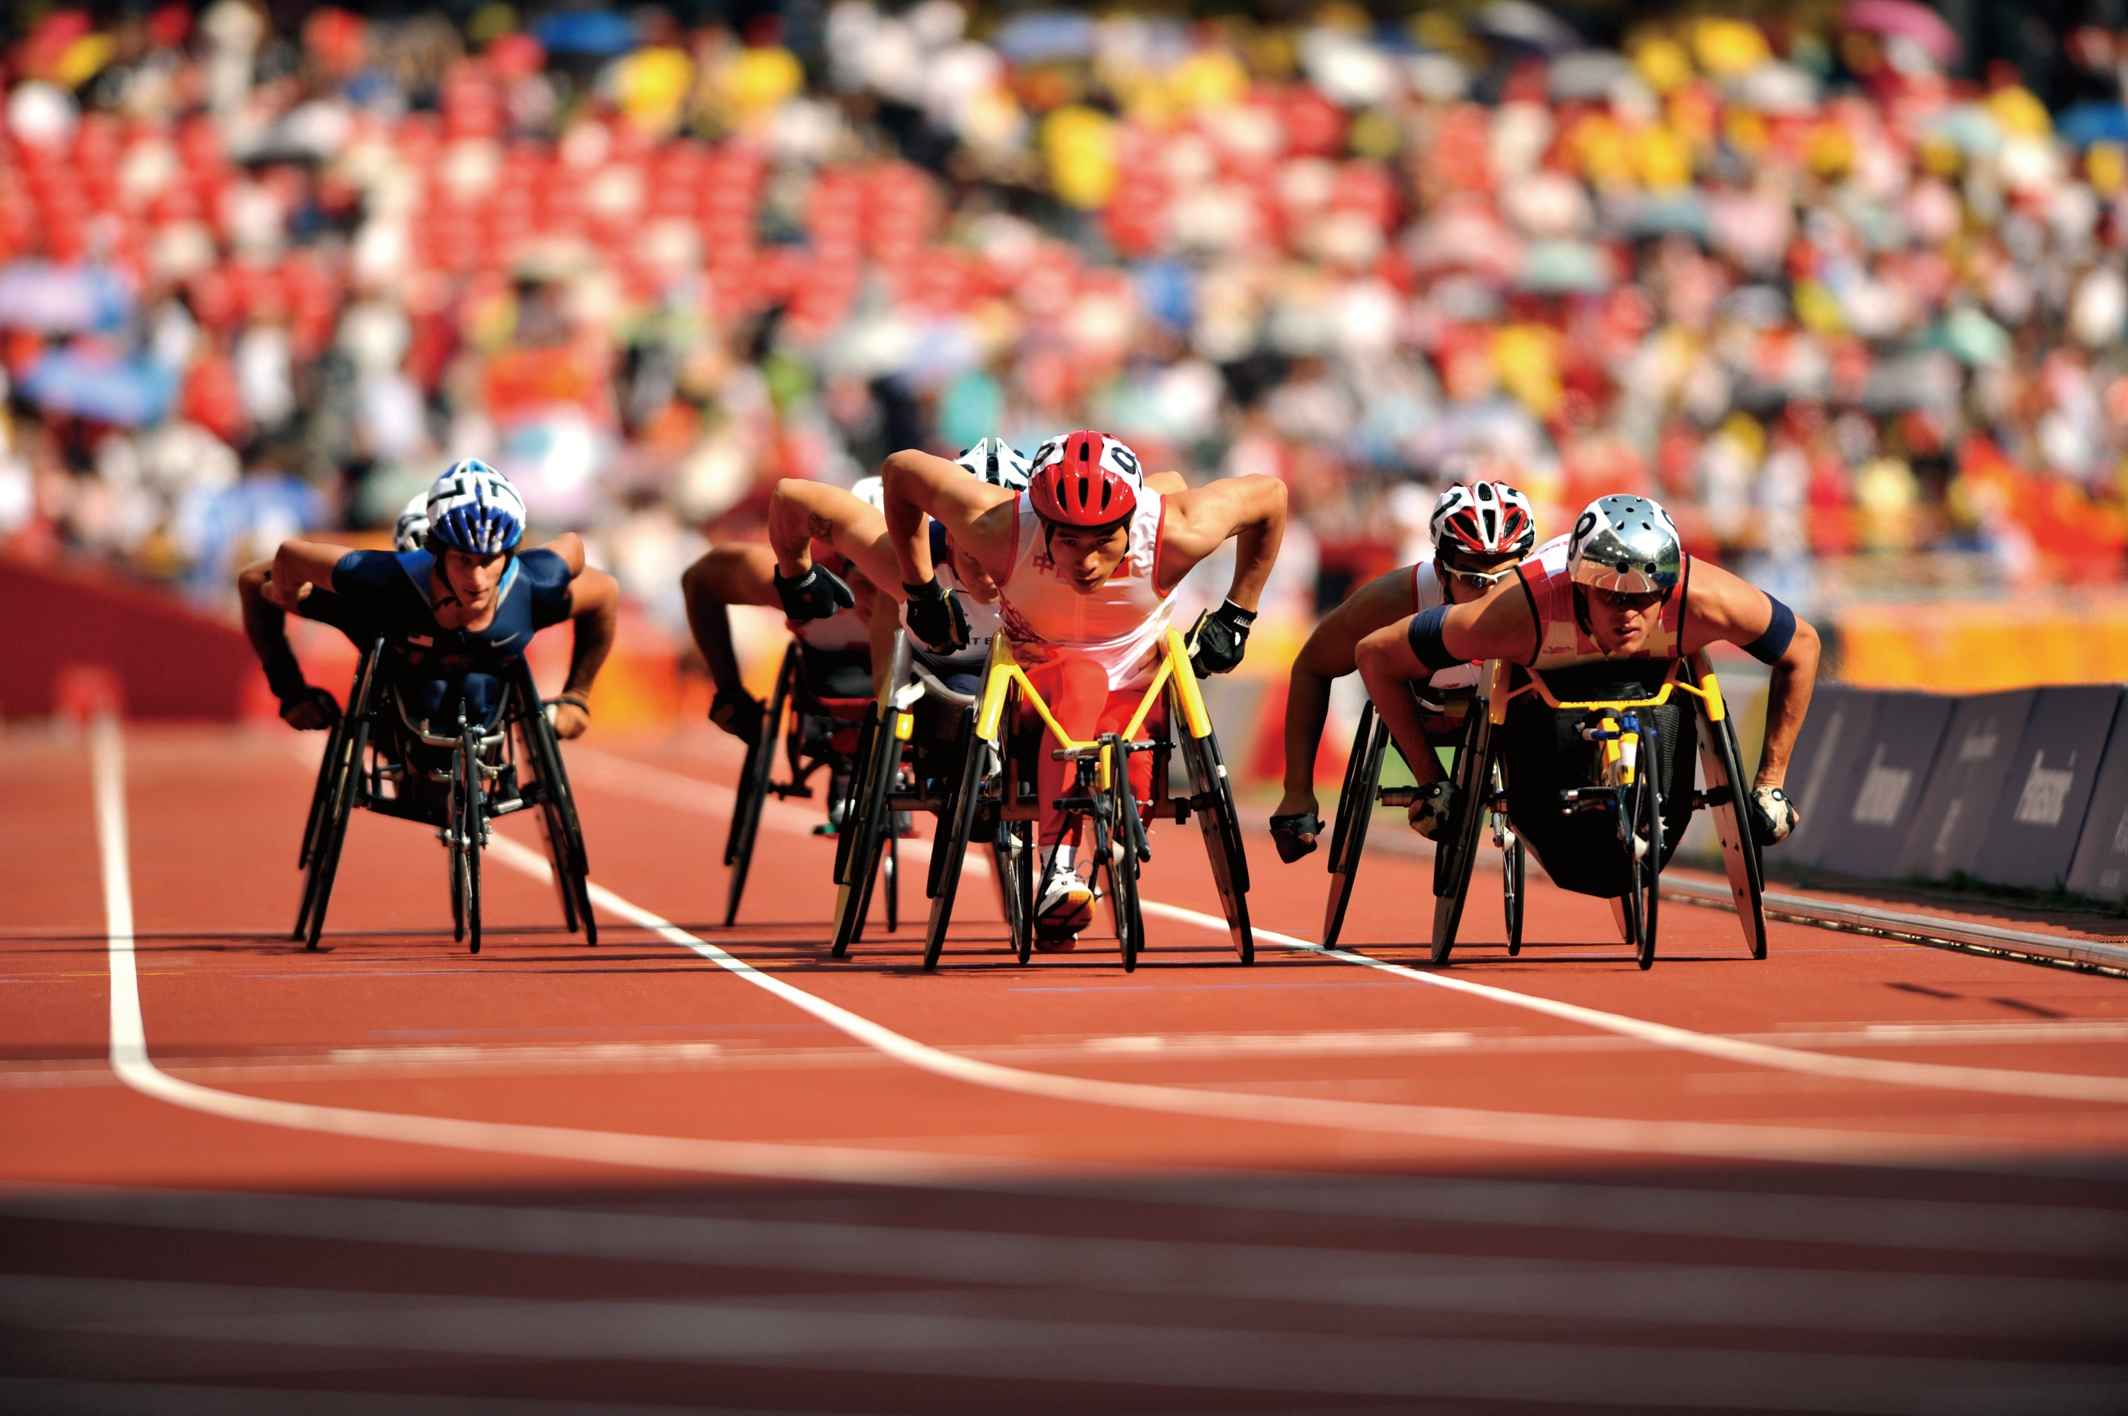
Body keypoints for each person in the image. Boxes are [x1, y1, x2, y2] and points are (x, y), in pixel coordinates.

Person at [882, 429, 1288, 948]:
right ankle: (1059, 869)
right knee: (1082, 676)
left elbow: (1270, 496)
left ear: (1130, 522)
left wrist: (1239, 613)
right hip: (1036, 679)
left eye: (1103, 541)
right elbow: (900, 469)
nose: (1086, 561)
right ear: (1041, 522)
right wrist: (920, 590)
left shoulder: (1176, 529)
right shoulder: (999, 526)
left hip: (1138, 684)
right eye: (1069, 541)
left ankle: (1103, 850)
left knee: (1130, 754)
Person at [1356, 493, 1818, 849]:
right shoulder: (1515, 612)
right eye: (1613, 595)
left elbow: (1801, 645)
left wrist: (1770, 782)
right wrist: (1432, 779)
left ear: (1671, 585)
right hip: (1542, 701)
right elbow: (1376, 654)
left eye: (1645, 596)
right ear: (1576, 585)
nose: (1629, 614)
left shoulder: (1706, 602)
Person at [1269, 479, 1538, 861]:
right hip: (1423, 715)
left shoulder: (1545, 595)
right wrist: (1297, 791)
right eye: (1476, 580)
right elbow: (1312, 666)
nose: (1490, 595)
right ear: (1442, 571)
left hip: (1511, 709)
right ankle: (1432, 782)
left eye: (1505, 578)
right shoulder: (1396, 599)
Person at [260, 459, 618, 743]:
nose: (477, 580)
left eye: (488, 561)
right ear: (435, 552)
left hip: (489, 706)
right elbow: (271, 568)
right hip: (401, 717)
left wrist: (578, 696)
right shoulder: (381, 583)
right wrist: (290, 688)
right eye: (463, 559)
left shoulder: (533, 584)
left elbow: (593, 576)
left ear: (510, 556)